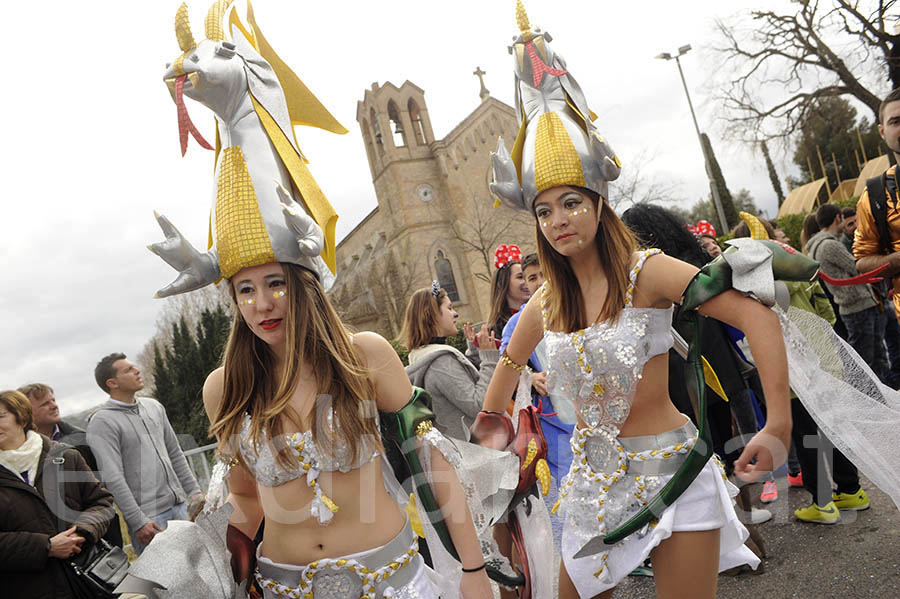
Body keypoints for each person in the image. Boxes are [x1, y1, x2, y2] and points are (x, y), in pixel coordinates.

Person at [480, 5, 790, 597]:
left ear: (598, 200)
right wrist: (498, 457)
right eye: (543, 210)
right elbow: (500, 392)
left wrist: (776, 423)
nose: (557, 221)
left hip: (671, 475)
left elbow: (755, 314)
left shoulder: (648, 274)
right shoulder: (544, 305)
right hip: (591, 488)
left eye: (571, 202)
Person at [0, 389, 115, 599]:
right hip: (26, 589)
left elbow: (102, 502)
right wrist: (47, 547)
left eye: (1, 416)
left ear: (21, 416)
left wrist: (82, 532)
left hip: (87, 584)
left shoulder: (66, 456)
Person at [87, 353, 203, 555]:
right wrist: (137, 521)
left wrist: (194, 492)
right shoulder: (102, 422)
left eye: (134, 367)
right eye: (128, 370)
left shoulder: (154, 406)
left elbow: (175, 452)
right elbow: (113, 477)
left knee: (200, 572)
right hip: (150, 520)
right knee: (166, 584)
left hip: (181, 508)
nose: (137, 370)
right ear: (112, 383)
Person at [19, 382, 125, 548]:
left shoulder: (81, 441)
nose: (54, 406)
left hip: (95, 539)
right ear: (25, 413)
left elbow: (100, 494)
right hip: (50, 547)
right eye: (45, 403)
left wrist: (83, 532)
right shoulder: (17, 454)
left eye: (53, 400)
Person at [404, 283, 499, 440]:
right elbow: (479, 406)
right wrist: (489, 359)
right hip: (480, 452)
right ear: (432, 315)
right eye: (449, 308)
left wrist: (475, 352)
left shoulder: (426, 357)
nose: (455, 314)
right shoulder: (440, 363)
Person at [807, 203, 890, 383]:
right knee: (869, 363)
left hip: (853, 306)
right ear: (838, 218)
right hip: (858, 307)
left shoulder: (818, 244)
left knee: (871, 360)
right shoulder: (829, 245)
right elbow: (858, 267)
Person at [487, 243, 532, 340]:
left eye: (528, 277)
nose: (527, 282)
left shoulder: (542, 313)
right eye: (520, 277)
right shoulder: (495, 330)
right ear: (501, 283)